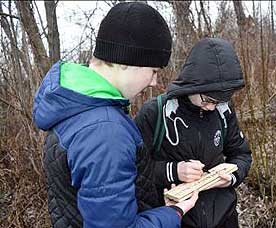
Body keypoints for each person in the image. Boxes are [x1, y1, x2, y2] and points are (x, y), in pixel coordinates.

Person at [32, 2, 198, 228]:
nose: (154, 82)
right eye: (153, 71)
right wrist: (173, 214)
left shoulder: (76, 104)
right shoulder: (105, 131)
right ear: (125, 61)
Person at [135, 38, 252, 228]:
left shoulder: (223, 109)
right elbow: (133, 170)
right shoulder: (155, 112)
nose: (212, 106)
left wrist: (231, 177)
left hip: (224, 215)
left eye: (218, 101)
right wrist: (174, 170)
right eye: (208, 99)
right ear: (192, 85)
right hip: (175, 217)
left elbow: (241, 154)